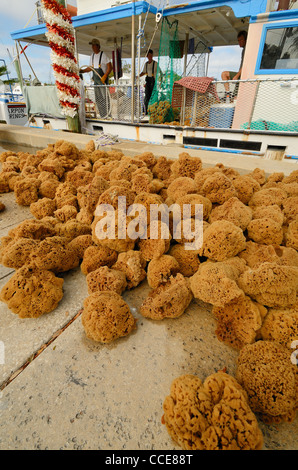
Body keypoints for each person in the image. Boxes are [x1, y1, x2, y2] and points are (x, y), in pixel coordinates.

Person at [80, 38, 112, 118]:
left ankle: (109, 115)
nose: (92, 47)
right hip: (96, 81)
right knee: (98, 99)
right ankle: (103, 115)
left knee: (105, 98)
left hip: (102, 81)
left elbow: (110, 67)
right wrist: (82, 71)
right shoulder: (92, 56)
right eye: (92, 46)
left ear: (97, 46)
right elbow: (90, 68)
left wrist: (105, 76)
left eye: (93, 45)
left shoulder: (103, 55)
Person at [221, 30, 247, 100]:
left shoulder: (247, 49)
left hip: (244, 76)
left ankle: (231, 97)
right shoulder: (244, 49)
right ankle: (228, 93)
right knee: (224, 74)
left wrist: (237, 76)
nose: (239, 42)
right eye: (238, 40)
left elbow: (245, 64)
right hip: (240, 75)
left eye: (241, 40)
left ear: (246, 39)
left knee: (236, 99)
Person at [139, 49, 157, 115]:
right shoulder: (146, 64)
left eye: (151, 55)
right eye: (148, 55)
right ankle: (146, 111)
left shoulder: (155, 64)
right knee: (147, 96)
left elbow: (159, 73)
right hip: (148, 82)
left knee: (153, 96)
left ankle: (153, 110)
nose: (150, 57)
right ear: (147, 56)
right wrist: (138, 76)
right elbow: (144, 72)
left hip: (153, 82)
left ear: (152, 56)